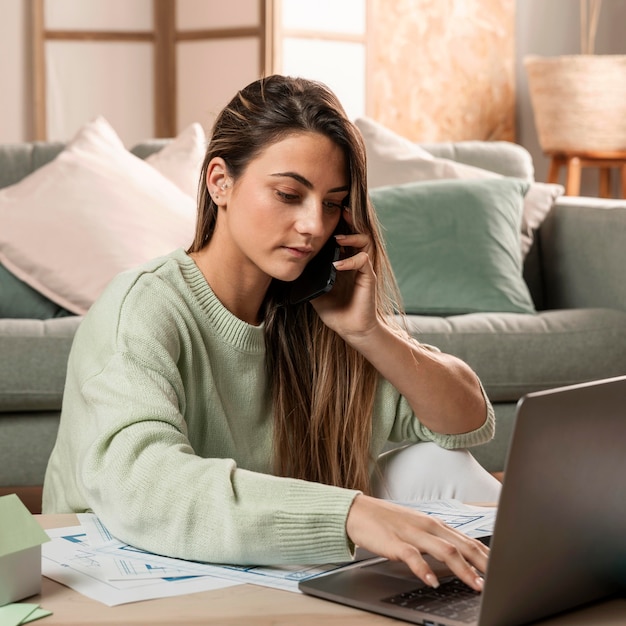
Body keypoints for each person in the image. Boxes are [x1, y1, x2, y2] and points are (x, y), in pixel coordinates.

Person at [43, 75, 500, 592]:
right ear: (220, 181)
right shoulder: (143, 308)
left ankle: (516, 590)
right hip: (118, 564)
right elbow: (145, 487)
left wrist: (370, 331)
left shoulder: (314, 309)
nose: (313, 225)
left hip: (256, 559)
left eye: (332, 203)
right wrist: (350, 514)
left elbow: (466, 424)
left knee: (438, 461)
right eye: (289, 194)